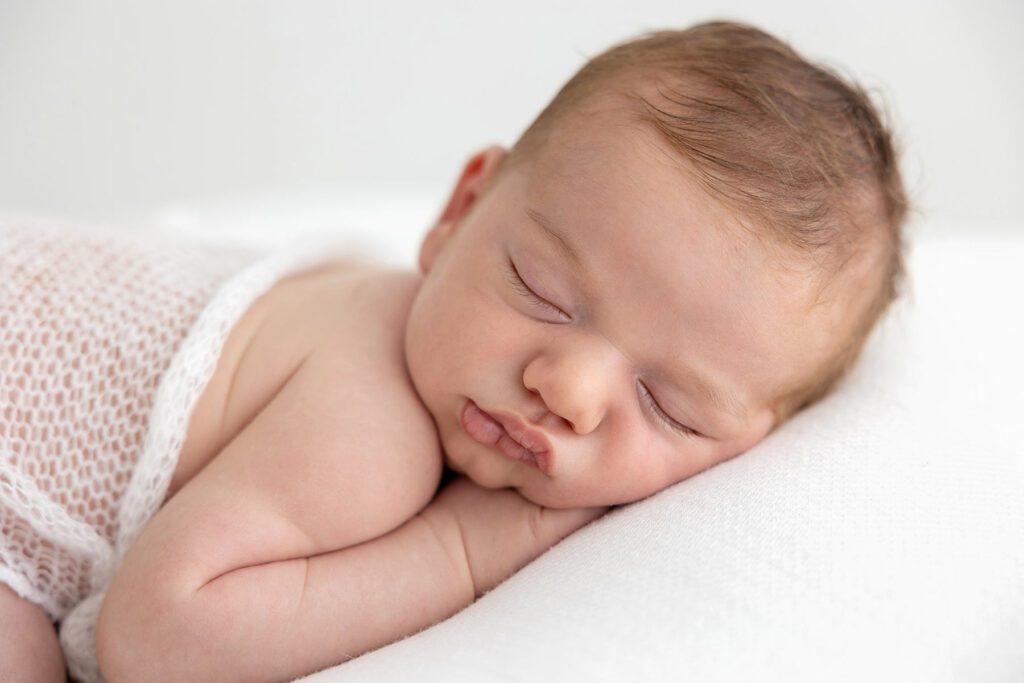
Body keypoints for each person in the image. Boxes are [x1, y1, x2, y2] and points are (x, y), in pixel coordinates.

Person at [0, 20, 908, 683]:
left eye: (671, 406)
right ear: (460, 210)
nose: (569, 389)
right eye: (543, 291)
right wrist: (460, 554)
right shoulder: (371, 420)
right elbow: (156, 640)